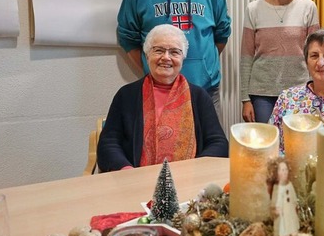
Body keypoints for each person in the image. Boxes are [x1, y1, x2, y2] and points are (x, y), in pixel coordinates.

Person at [117, 0, 231, 115]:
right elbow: (128, 39)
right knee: (164, 144)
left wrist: (203, 64)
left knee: (211, 143)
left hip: (206, 91)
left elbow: (221, 35)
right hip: (159, 92)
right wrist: (152, 67)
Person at [98, 24, 229, 172]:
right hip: (136, 182)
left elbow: (219, 143)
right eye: (159, 50)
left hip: (189, 182)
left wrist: (195, 169)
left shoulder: (199, 96)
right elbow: (108, 144)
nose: (166, 57)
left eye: (174, 52)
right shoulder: (126, 95)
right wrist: (126, 170)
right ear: (147, 55)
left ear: (182, 58)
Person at [240, 0, 320, 123]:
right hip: (262, 92)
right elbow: (246, 55)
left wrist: (316, 88)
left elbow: (315, 53)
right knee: (268, 142)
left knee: (298, 143)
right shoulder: (253, 9)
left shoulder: (308, 7)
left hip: (300, 89)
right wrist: (245, 99)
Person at [267, 158, 299, 236]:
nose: (284, 172)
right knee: (282, 221)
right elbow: (275, 199)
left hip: (289, 207)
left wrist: (295, 203)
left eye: (285, 169)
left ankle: (293, 230)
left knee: (291, 218)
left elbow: (292, 195)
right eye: (281, 170)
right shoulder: (277, 187)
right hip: (282, 208)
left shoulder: (289, 184)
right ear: (276, 173)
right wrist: (275, 208)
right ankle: (284, 234)